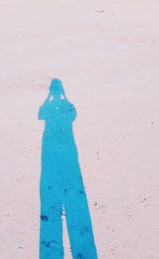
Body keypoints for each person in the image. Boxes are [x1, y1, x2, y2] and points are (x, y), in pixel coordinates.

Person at [38, 79, 98, 259]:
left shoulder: (52, 108)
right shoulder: (68, 106)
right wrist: (61, 96)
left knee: (51, 209)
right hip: (68, 149)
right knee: (74, 201)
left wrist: (50, 97)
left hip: (51, 150)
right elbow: (72, 114)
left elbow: (40, 114)